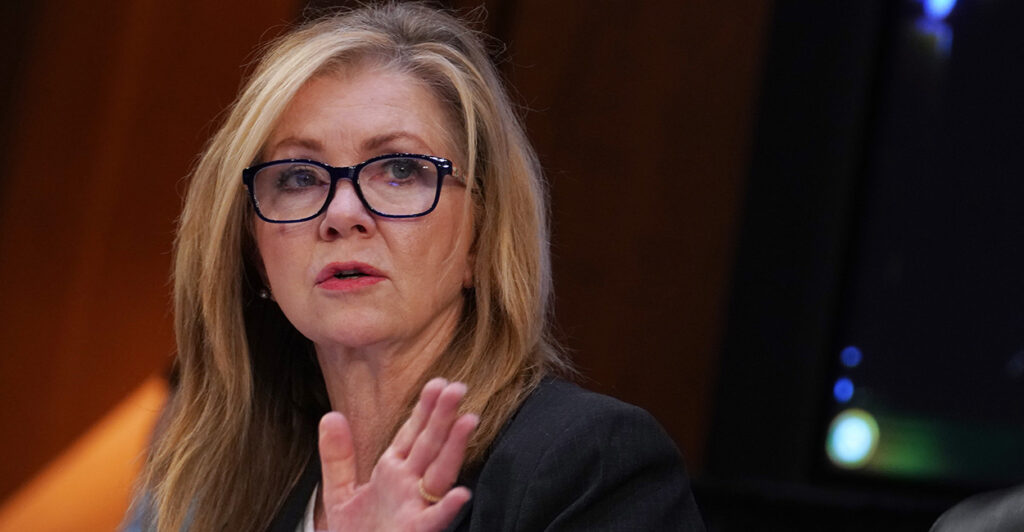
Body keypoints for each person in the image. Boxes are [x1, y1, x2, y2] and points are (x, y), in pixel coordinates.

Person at [126, 3, 704, 530]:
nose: (342, 213)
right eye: (299, 177)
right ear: (255, 254)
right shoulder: (225, 494)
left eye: (401, 170)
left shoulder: (588, 466)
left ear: (483, 239)